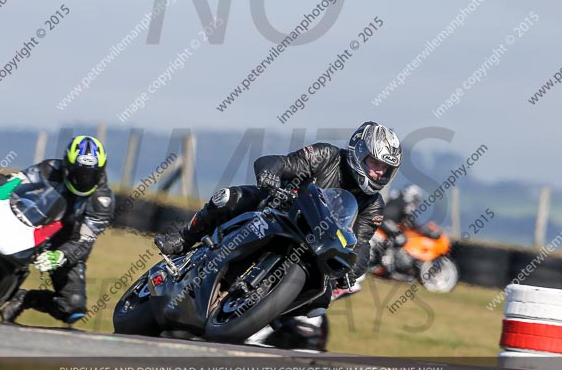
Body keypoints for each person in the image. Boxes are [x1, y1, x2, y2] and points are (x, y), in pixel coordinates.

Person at [155, 121, 402, 334]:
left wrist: (351, 271)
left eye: (385, 169)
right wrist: (270, 174)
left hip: (316, 247)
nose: (378, 172)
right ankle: (185, 238)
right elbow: (281, 163)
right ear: (359, 152)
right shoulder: (326, 155)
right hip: (281, 211)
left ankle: (270, 317)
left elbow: (360, 243)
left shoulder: (373, 205)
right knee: (229, 198)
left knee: (322, 298)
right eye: (374, 163)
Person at [0, 135, 115, 325]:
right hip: (33, 223)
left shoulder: (103, 201)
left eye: (90, 174)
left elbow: (86, 239)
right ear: (67, 165)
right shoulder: (51, 168)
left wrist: (61, 255)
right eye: (79, 172)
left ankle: (24, 298)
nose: (84, 179)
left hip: (66, 244)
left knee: (73, 307)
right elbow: (18, 179)